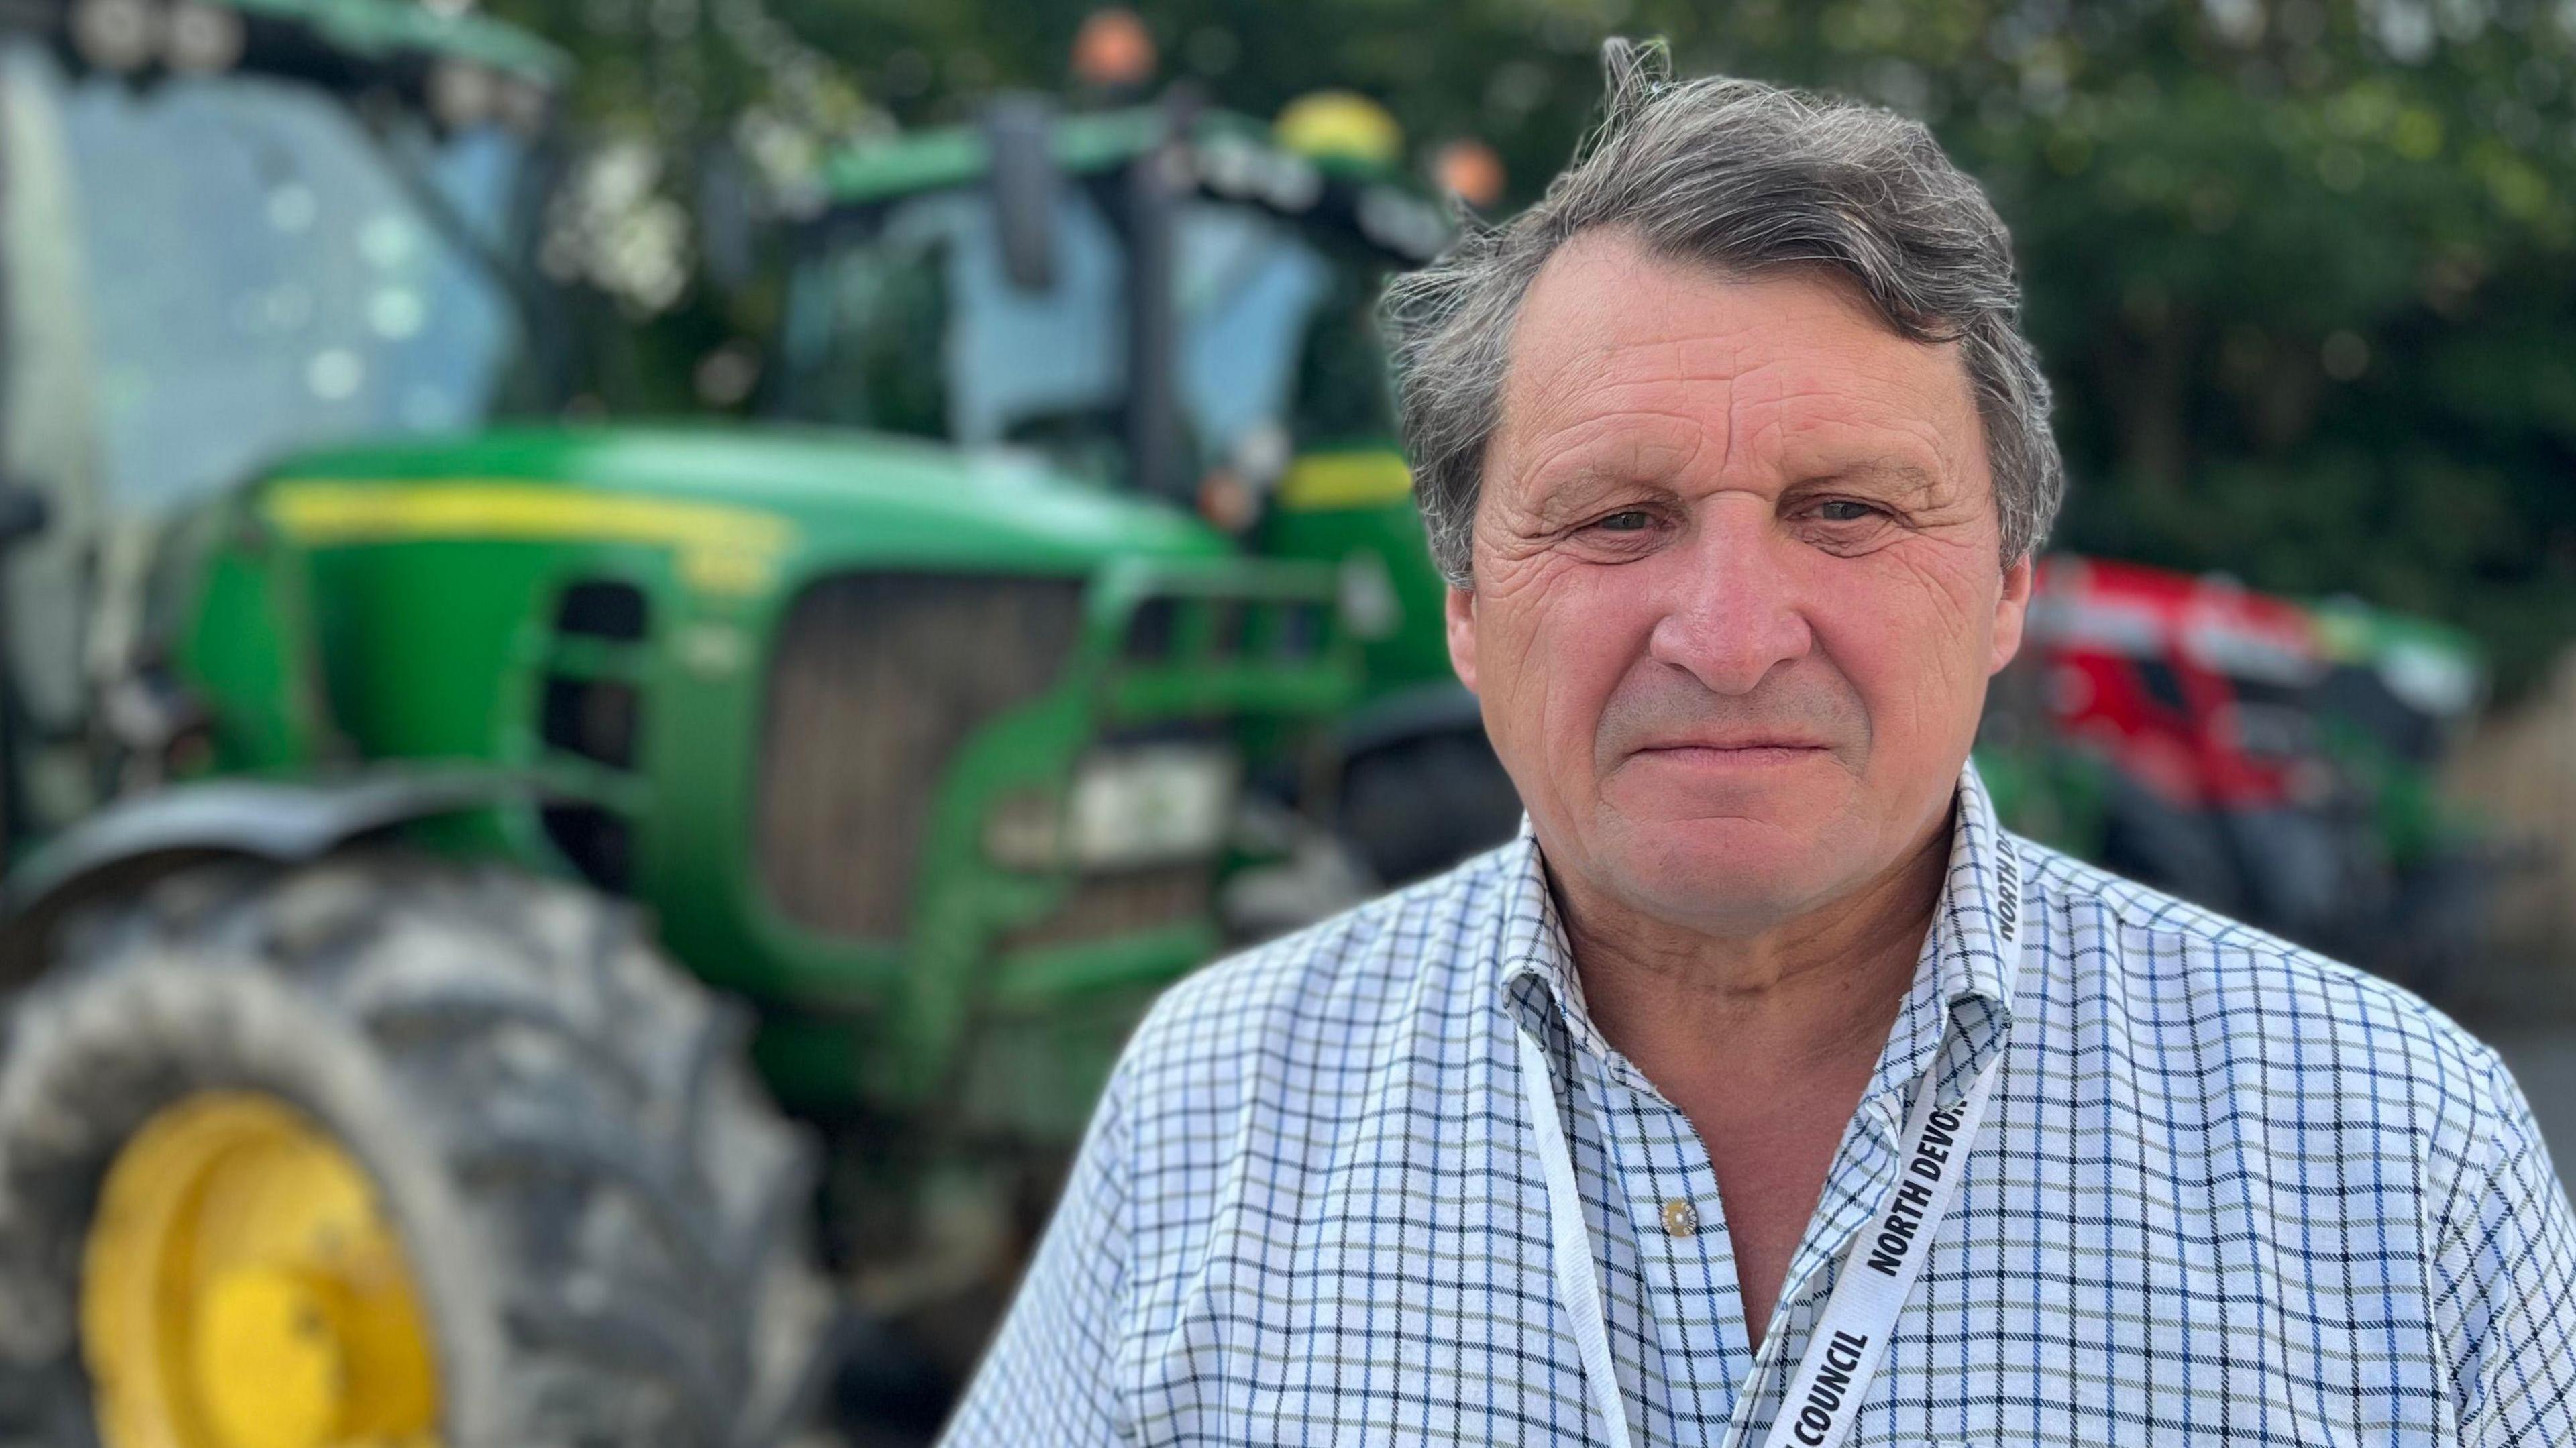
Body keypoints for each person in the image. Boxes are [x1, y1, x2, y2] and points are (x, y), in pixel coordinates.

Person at [941, 40, 2576, 1447]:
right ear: (1461, 606)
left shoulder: (2398, 1154)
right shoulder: (1210, 1111)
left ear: (2007, 587)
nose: (1727, 638)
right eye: (1615, 515)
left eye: (1846, 512)